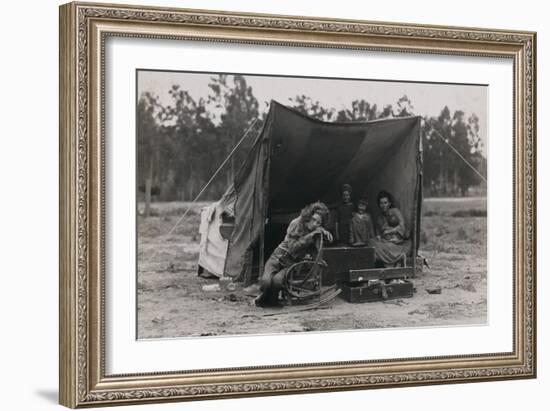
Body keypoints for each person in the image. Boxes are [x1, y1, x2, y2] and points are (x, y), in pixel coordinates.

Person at [255, 201, 333, 307]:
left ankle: (273, 301)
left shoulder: (315, 229)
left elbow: (320, 243)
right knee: (266, 282)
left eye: (318, 223)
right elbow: (292, 248)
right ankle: (264, 298)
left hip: (291, 262)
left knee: (277, 281)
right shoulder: (296, 223)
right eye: (314, 219)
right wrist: (310, 236)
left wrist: (324, 231)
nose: (315, 224)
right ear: (309, 216)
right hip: (278, 256)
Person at [369, 190, 410, 266]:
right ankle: (394, 257)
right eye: (381, 203)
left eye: (385, 203)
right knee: (371, 242)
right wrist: (378, 236)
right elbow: (379, 233)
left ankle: (398, 256)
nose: (383, 205)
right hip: (386, 242)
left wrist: (390, 231)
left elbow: (402, 227)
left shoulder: (395, 212)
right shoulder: (379, 218)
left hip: (397, 242)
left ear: (389, 203)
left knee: (380, 248)